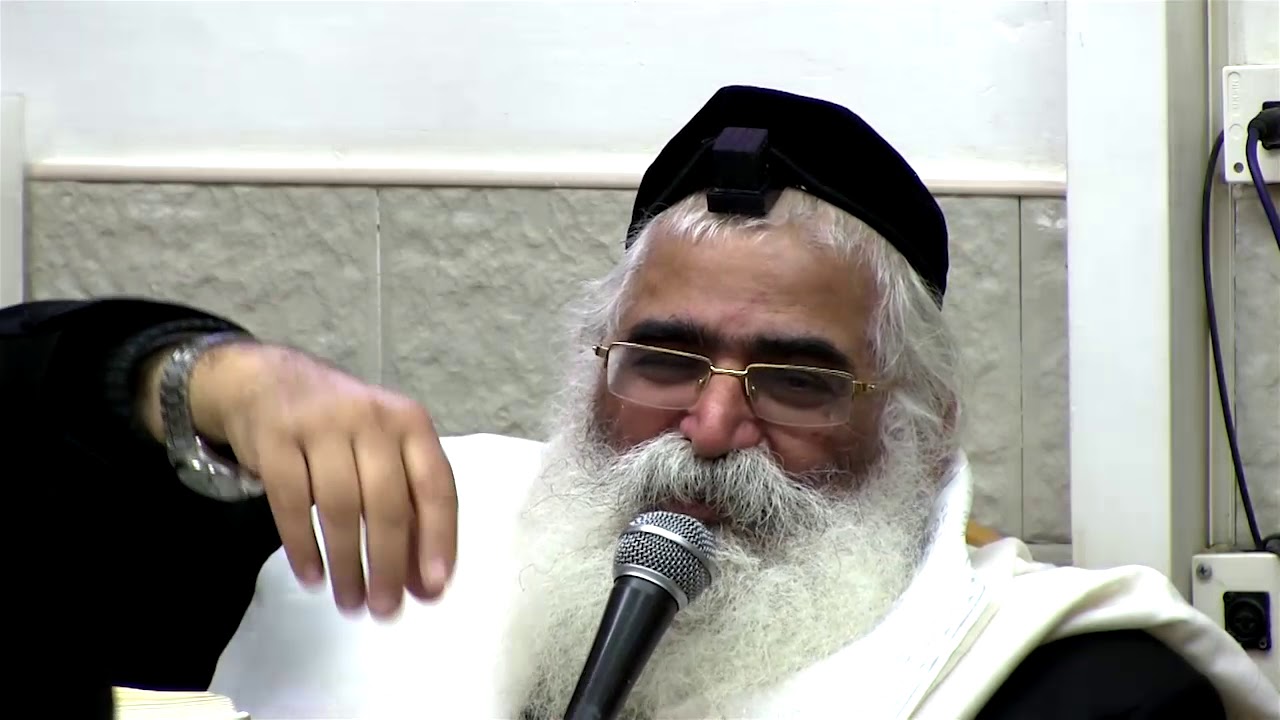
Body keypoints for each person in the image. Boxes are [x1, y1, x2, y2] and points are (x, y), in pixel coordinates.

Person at [4, 86, 1275, 720]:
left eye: (794, 380)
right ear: (589, 368)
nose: (709, 432)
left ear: (917, 427)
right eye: (660, 361)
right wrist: (193, 375)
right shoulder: (404, 537)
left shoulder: (1065, 684)